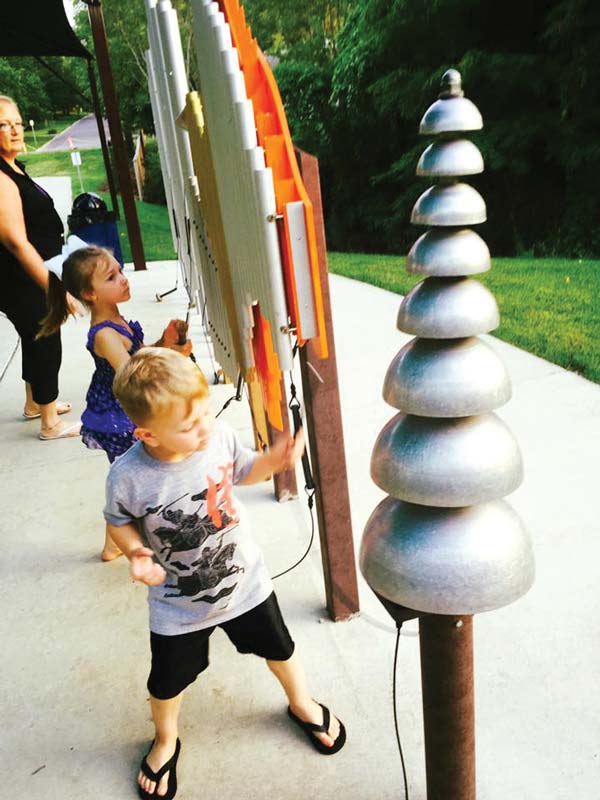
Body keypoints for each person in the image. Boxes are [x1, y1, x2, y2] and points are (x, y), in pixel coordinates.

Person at [105, 348, 346, 800]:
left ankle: (301, 702)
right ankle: (165, 739)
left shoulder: (217, 436)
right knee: (167, 681)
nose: (204, 428)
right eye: (188, 425)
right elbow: (117, 520)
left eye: (205, 414)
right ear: (147, 434)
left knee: (281, 647)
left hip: (245, 583)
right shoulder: (128, 476)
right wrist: (136, 552)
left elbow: (243, 469)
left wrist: (272, 463)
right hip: (177, 603)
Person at [38, 245, 192, 560]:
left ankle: (116, 543)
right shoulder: (104, 335)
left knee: (141, 475)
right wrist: (167, 358)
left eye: (120, 271)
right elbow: (131, 374)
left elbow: (138, 354)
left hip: (128, 410)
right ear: (89, 294)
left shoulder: (117, 319)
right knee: (140, 476)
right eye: (112, 277)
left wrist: (164, 344)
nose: (123, 279)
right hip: (117, 417)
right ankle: (123, 541)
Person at [0, 94, 81, 440]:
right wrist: (53, 288)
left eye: (18, 123)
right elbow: (16, 242)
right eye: (4, 125)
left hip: (29, 274)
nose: (15, 131)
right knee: (45, 334)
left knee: (34, 334)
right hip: (18, 277)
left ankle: (35, 403)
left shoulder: (14, 168)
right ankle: (50, 422)